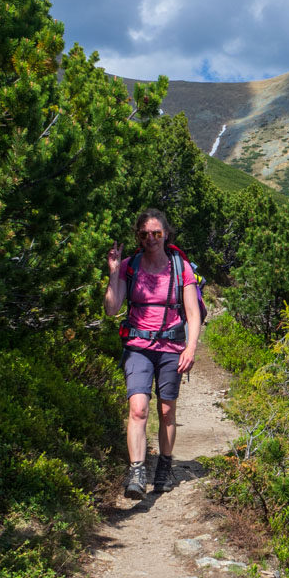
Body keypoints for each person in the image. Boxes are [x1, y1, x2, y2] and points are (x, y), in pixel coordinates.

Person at [104, 209, 201, 499]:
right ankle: (137, 472)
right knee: (138, 409)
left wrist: (191, 347)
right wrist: (113, 272)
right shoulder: (129, 266)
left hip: (171, 347)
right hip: (138, 347)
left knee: (167, 411)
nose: (151, 239)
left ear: (166, 234)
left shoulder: (180, 267)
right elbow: (111, 309)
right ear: (139, 236)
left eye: (156, 233)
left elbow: (193, 314)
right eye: (145, 234)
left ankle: (164, 468)